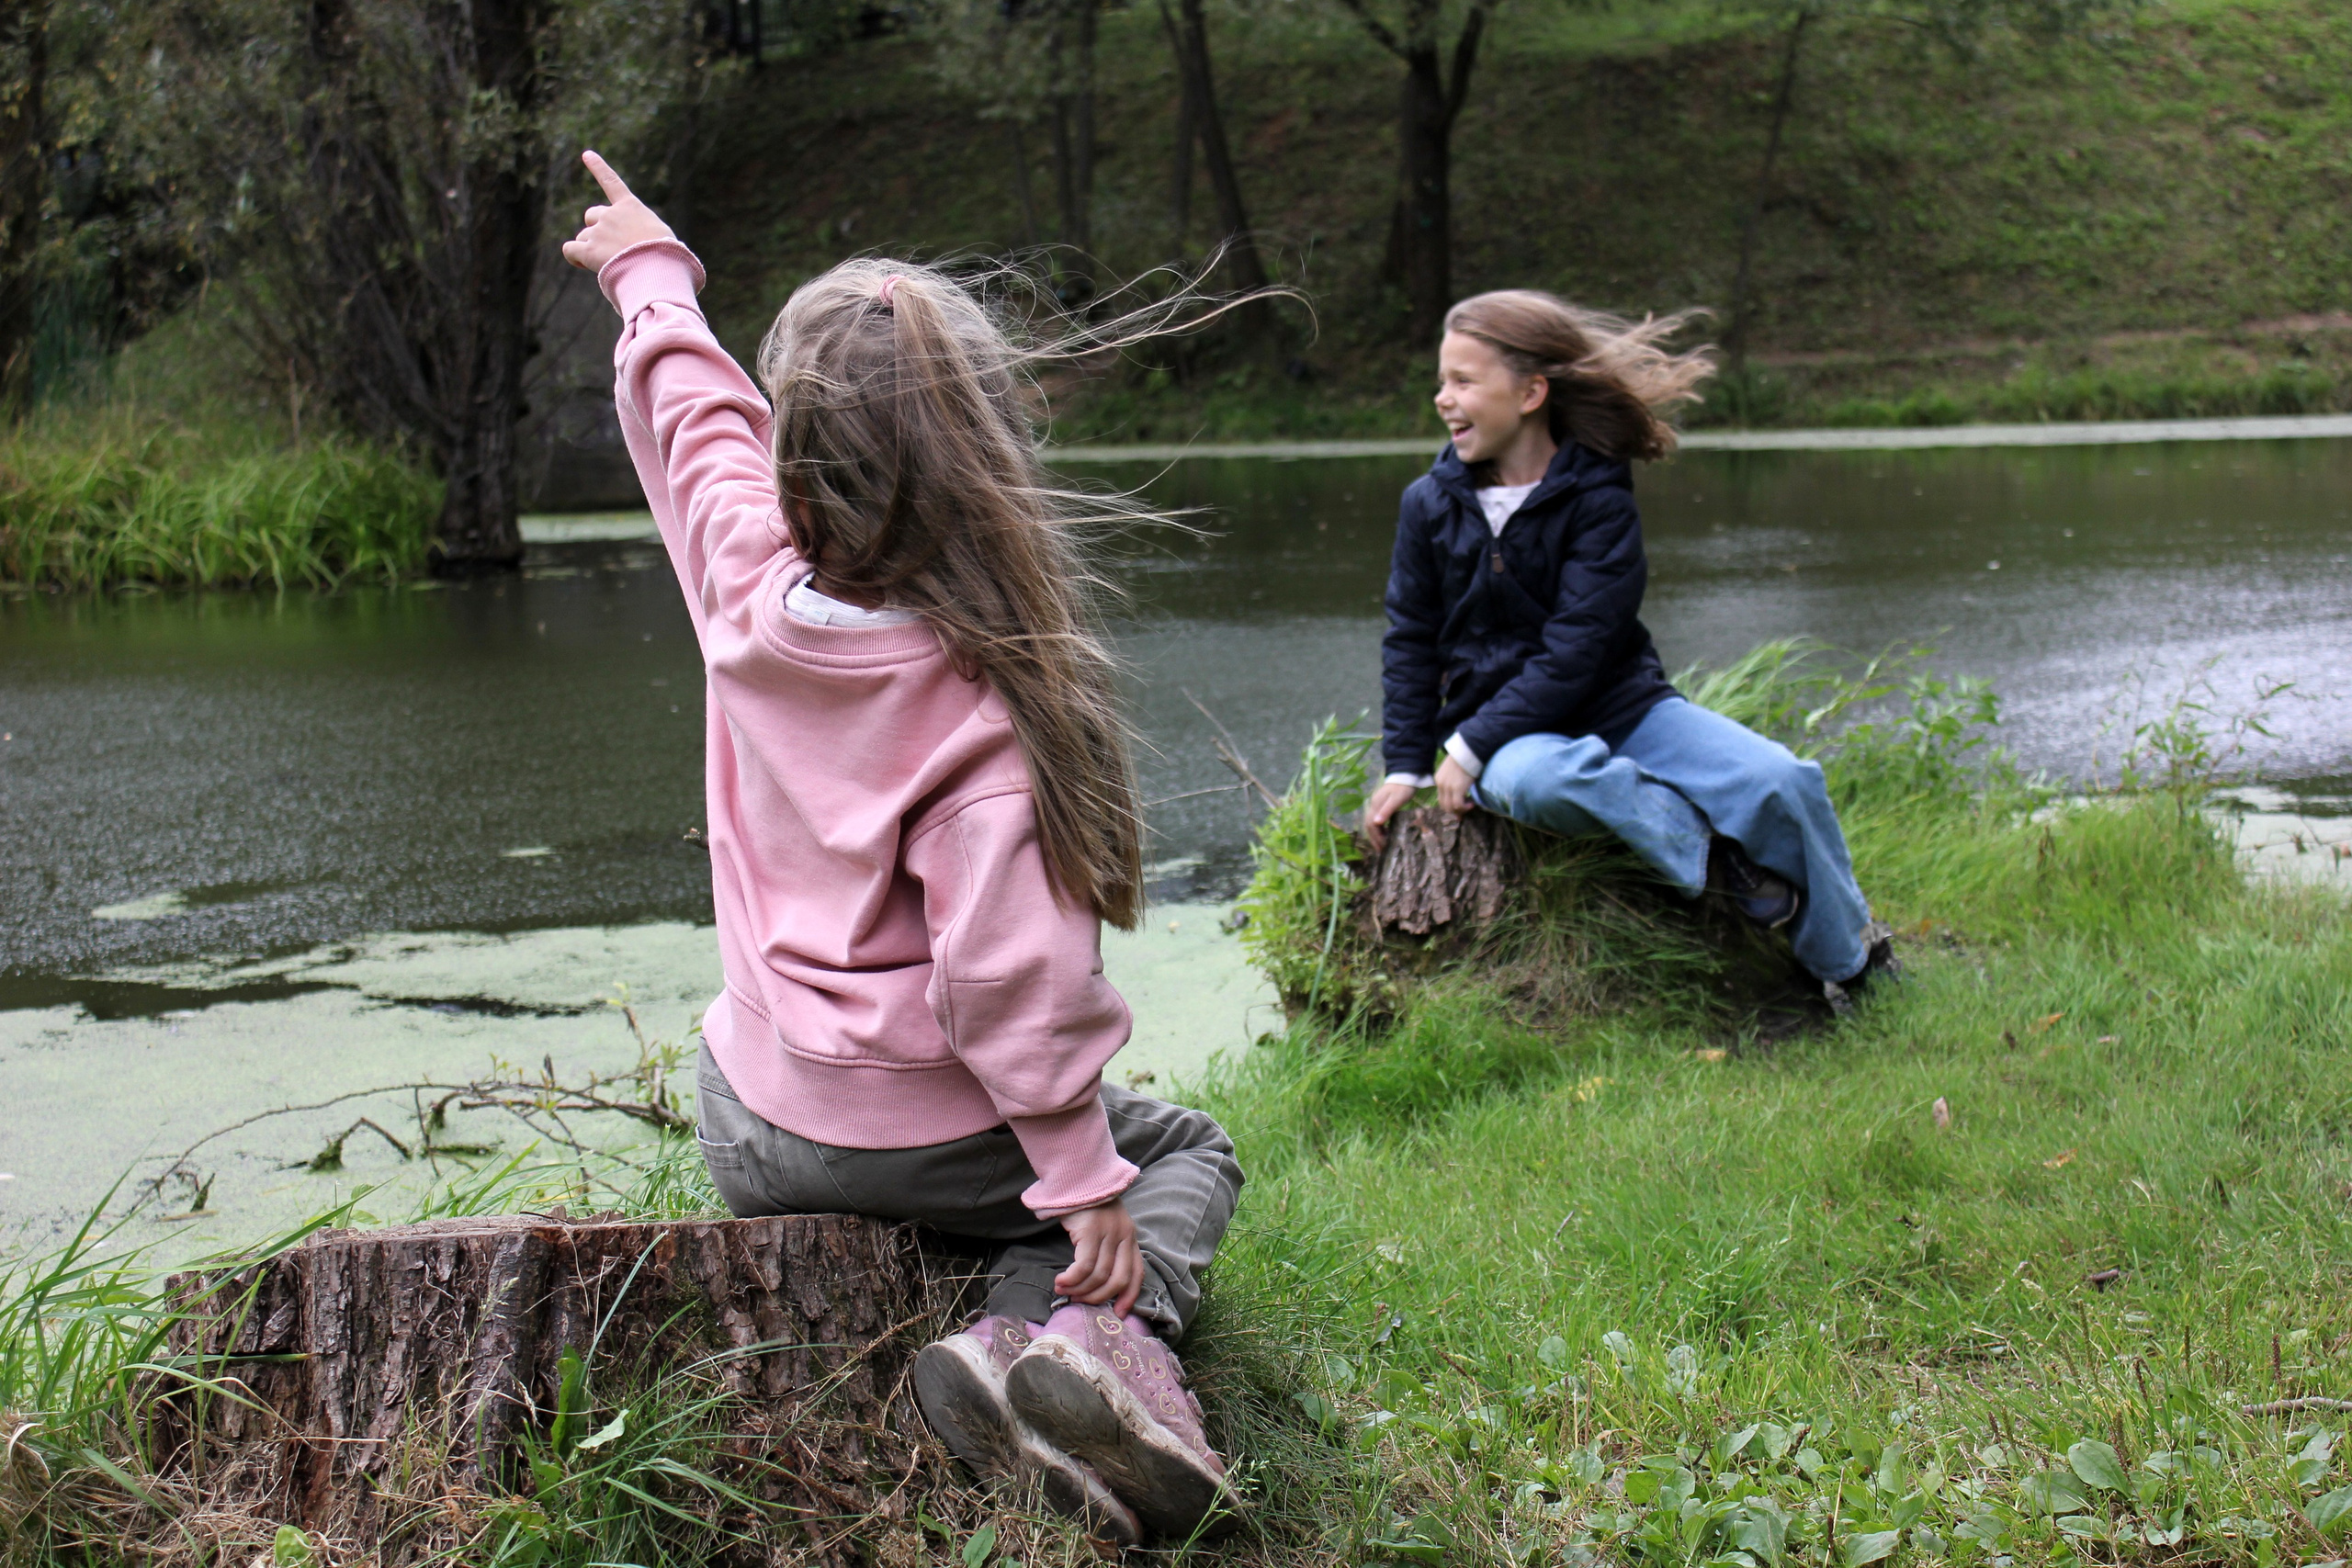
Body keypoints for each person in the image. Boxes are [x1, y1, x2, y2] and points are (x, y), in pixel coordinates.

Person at [561, 152, 1244, 1544]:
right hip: (919, 1134)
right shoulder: (984, 707)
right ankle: (1060, 1342)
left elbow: (694, 421)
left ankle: (1019, 1334)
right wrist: (1077, 1173)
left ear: (793, 458)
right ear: (989, 464)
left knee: (1064, 1157)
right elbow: (1007, 982)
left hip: (747, 1116)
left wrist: (651, 274)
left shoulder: (740, 591)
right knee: (1180, 1152)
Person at [1363, 289, 1892, 1001]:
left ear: (1530, 393)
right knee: (1540, 781)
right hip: (1510, 736)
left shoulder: (1599, 496)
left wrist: (1467, 743)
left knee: (1784, 780)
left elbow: (1582, 642)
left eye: (1462, 381)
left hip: (1623, 704)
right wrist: (1412, 761)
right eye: (1441, 381)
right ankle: (1719, 861)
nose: (1442, 399)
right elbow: (1411, 638)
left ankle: (1852, 964)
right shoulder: (1427, 504)